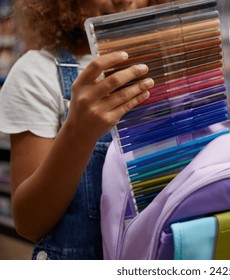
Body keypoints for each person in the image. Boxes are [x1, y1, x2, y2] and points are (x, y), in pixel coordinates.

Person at [0, 0, 171, 260]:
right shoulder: (37, 73)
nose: (124, 0)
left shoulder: (172, 65)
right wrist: (78, 133)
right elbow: (29, 222)